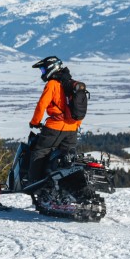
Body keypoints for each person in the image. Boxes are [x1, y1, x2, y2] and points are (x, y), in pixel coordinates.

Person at [26, 55, 81, 183]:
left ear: (51, 68)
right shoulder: (71, 84)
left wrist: (35, 122)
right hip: (72, 128)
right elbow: (78, 108)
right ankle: (63, 187)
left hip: (56, 127)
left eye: (44, 70)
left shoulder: (53, 84)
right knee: (67, 158)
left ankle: (34, 183)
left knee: (39, 152)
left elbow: (42, 105)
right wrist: (76, 123)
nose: (43, 73)